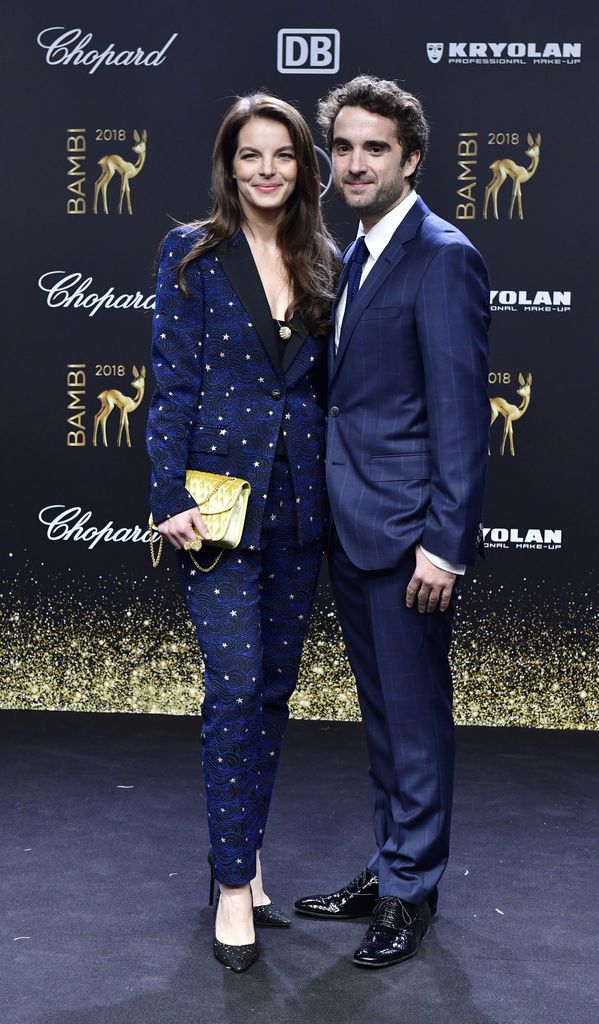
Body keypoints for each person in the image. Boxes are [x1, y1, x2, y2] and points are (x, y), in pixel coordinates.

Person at [294, 76, 490, 968]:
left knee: (413, 722)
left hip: (410, 538)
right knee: (382, 719)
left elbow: (459, 416)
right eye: (342, 147)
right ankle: (389, 866)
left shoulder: (442, 256)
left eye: (374, 148)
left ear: (410, 159)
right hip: (353, 526)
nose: (354, 163)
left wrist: (443, 547)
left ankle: (411, 892)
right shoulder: (354, 254)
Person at [146, 93, 338, 972]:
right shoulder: (191, 252)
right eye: (250, 155)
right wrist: (166, 496)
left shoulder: (325, 258)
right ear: (228, 165)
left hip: (300, 502)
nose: (267, 170)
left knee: (270, 694)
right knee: (232, 689)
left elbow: (326, 388)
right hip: (216, 504)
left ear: (303, 168)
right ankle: (231, 885)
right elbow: (172, 381)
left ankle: (245, 852)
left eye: (283, 155)